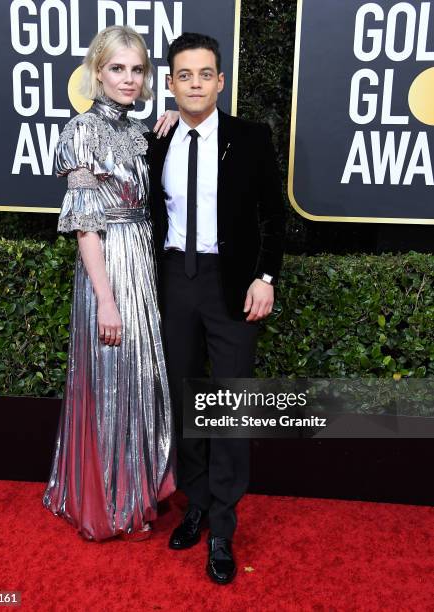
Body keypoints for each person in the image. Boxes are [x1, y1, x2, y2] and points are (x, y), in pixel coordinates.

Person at [148, 32, 286, 583]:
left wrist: (265, 277)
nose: (196, 83)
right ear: (171, 83)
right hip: (173, 281)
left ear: (220, 80)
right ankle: (198, 501)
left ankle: (224, 528)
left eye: (205, 74)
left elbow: (274, 217)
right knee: (184, 400)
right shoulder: (154, 138)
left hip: (230, 286)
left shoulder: (250, 138)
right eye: (185, 75)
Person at [43, 25, 177, 542]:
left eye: (137, 69)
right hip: (109, 267)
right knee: (111, 379)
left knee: (141, 380)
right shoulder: (81, 131)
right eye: (117, 68)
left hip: (144, 261)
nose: (128, 78)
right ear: (97, 71)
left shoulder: (142, 131)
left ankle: (137, 492)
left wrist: (172, 122)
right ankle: (108, 501)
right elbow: (84, 223)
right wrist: (105, 300)